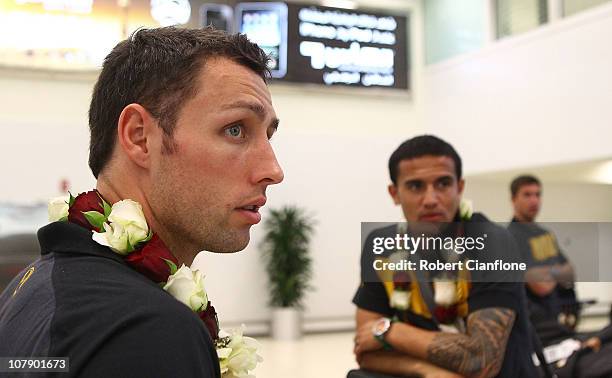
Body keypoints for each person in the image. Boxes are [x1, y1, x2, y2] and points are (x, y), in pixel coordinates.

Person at [0, 27, 283, 377]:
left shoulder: (35, 284)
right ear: (139, 137)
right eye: (235, 129)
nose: (273, 170)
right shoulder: (147, 331)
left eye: (268, 135)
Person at [351, 135, 537, 377]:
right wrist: (426, 370)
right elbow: (364, 351)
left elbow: (482, 360)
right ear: (394, 193)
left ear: (459, 188)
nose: (430, 199)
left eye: (443, 184)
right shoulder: (381, 245)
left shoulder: (492, 242)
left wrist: (390, 331)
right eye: (415, 186)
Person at [507, 175, 576, 344]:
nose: (534, 200)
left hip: (559, 318)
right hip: (536, 329)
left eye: (538, 194)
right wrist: (557, 272)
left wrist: (546, 272)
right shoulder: (510, 237)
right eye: (527, 194)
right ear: (513, 199)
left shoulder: (546, 234)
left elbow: (570, 273)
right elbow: (540, 286)